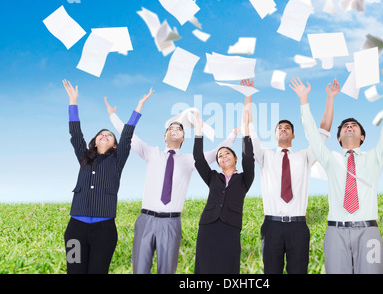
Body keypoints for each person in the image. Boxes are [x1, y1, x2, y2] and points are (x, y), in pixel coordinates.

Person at [291, 58, 383, 274]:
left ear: (362, 136)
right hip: (336, 232)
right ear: (339, 138)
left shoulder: (375, 158)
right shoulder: (330, 159)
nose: (349, 126)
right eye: (345, 126)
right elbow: (313, 137)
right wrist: (304, 101)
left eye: (354, 126)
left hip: (369, 231)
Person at [104, 100, 238, 274]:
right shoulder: (151, 153)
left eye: (179, 130)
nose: (174, 131)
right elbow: (129, 136)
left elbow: (215, 153)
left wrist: (233, 135)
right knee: (140, 269)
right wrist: (113, 116)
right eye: (170, 129)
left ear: (183, 139)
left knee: (167, 270)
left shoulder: (190, 160)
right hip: (146, 220)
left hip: (171, 222)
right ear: (164, 137)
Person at [241, 78, 339, 274]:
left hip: (298, 226)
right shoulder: (265, 156)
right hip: (272, 226)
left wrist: (330, 98)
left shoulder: (305, 157)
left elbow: (324, 131)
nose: (284, 130)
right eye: (280, 128)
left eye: (288, 128)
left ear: (293, 135)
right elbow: (248, 127)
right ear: (275, 135)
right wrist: (247, 96)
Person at [62, 79, 153, 274]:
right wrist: (73, 102)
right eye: (101, 134)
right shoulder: (83, 157)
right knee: (73, 270)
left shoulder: (118, 160)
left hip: (104, 230)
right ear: (94, 142)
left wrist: (139, 106)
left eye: (109, 135)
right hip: (75, 230)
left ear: (114, 145)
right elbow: (75, 133)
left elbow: (127, 135)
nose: (104, 135)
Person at [192, 110, 254, 274]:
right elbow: (198, 159)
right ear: (218, 163)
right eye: (220, 155)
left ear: (235, 159)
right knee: (204, 265)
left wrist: (246, 133)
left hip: (230, 226)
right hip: (208, 226)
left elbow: (249, 158)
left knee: (228, 266)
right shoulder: (212, 177)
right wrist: (198, 131)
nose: (223, 156)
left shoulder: (244, 179)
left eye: (227, 153)